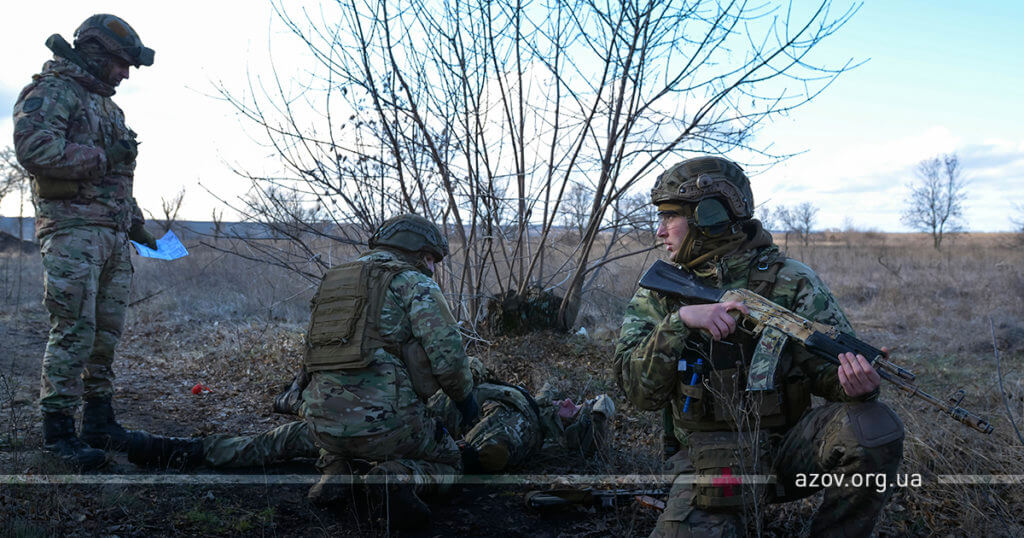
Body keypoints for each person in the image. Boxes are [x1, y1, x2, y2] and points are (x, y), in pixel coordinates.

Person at [614, 156, 904, 537]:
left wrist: (854, 383)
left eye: (669, 217)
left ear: (708, 216)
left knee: (873, 426)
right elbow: (637, 390)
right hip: (708, 467)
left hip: (786, 456)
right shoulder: (662, 292)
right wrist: (680, 322)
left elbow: (827, 373)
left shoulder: (792, 281)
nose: (659, 231)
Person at [12, 14, 157, 470]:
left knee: (104, 335)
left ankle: (99, 422)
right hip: (72, 232)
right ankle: (58, 433)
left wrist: (134, 223)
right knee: (74, 329)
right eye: (120, 62)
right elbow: (34, 149)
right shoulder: (54, 92)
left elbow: (117, 179)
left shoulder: (109, 108)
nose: (125, 73)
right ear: (96, 53)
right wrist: (103, 157)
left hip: (111, 235)